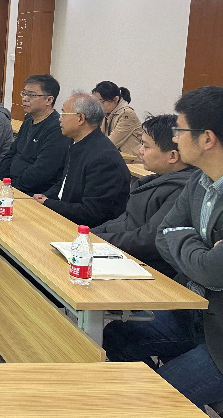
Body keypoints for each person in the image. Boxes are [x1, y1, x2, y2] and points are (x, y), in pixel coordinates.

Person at [103, 86, 223, 409]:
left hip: (219, 337)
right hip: (193, 311)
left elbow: (213, 271)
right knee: (117, 337)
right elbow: (163, 237)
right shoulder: (199, 182)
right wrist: (198, 247)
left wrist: (184, 241)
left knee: (152, 399)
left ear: (207, 139)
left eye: (179, 131)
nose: (175, 139)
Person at [92, 114, 194, 276]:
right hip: (123, 252)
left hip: (149, 268)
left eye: (146, 146)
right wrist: (90, 234)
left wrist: (99, 241)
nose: (140, 151)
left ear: (173, 156)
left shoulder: (183, 190)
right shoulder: (153, 180)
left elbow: (148, 239)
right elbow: (124, 219)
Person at [34, 92, 130, 227]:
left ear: (80, 118)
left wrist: (48, 203)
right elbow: (64, 183)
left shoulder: (103, 158)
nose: (60, 119)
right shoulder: (77, 143)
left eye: (63, 114)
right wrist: (46, 197)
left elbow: (91, 213)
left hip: (89, 231)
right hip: (65, 217)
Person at [0, 75, 70, 195]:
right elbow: (11, 153)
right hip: (10, 185)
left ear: (49, 100)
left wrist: (12, 187)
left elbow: (43, 170)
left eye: (31, 95)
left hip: (33, 192)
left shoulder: (57, 128)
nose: (25, 98)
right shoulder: (28, 119)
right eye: (24, 93)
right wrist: (3, 181)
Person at [93, 81, 143, 158]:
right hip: (117, 158)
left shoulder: (127, 113)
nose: (99, 106)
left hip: (133, 161)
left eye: (102, 102)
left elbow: (110, 143)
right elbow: (98, 136)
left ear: (116, 99)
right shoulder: (106, 113)